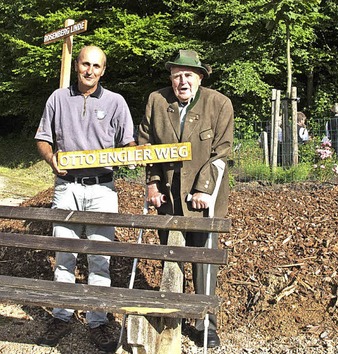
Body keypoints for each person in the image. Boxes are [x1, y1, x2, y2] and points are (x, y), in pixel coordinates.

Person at [34, 45, 136, 352]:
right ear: (77, 66)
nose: (89, 70)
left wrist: (132, 154)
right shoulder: (57, 98)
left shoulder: (116, 102)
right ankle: (62, 316)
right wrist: (52, 159)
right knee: (64, 255)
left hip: (103, 189)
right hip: (67, 188)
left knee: (99, 258)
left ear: (103, 70)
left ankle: (97, 321)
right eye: (85, 64)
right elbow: (42, 139)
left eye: (96, 66)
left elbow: (128, 141)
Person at [137, 49, 233, 348]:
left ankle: (205, 322)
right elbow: (146, 147)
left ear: (200, 77)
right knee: (171, 258)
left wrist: (204, 189)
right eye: (177, 74)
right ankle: (172, 315)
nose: (182, 81)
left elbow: (222, 152)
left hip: (205, 200)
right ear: (170, 77)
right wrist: (153, 185)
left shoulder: (218, 104)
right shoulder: (157, 101)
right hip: (167, 198)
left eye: (188, 75)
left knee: (204, 262)